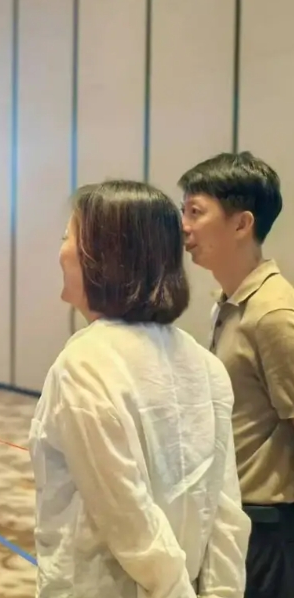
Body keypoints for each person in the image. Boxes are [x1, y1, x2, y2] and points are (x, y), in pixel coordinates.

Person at [28, 180, 251, 597]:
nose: (60, 252)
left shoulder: (86, 364)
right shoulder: (204, 363)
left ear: (102, 256)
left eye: (67, 237)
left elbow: (128, 519)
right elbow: (225, 516)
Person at [180, 151, 294, 597]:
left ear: (242, 224)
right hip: (235, 519)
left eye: (196, 212)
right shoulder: (229, 304)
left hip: (268, 531)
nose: (185, 226)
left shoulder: (273, 314)